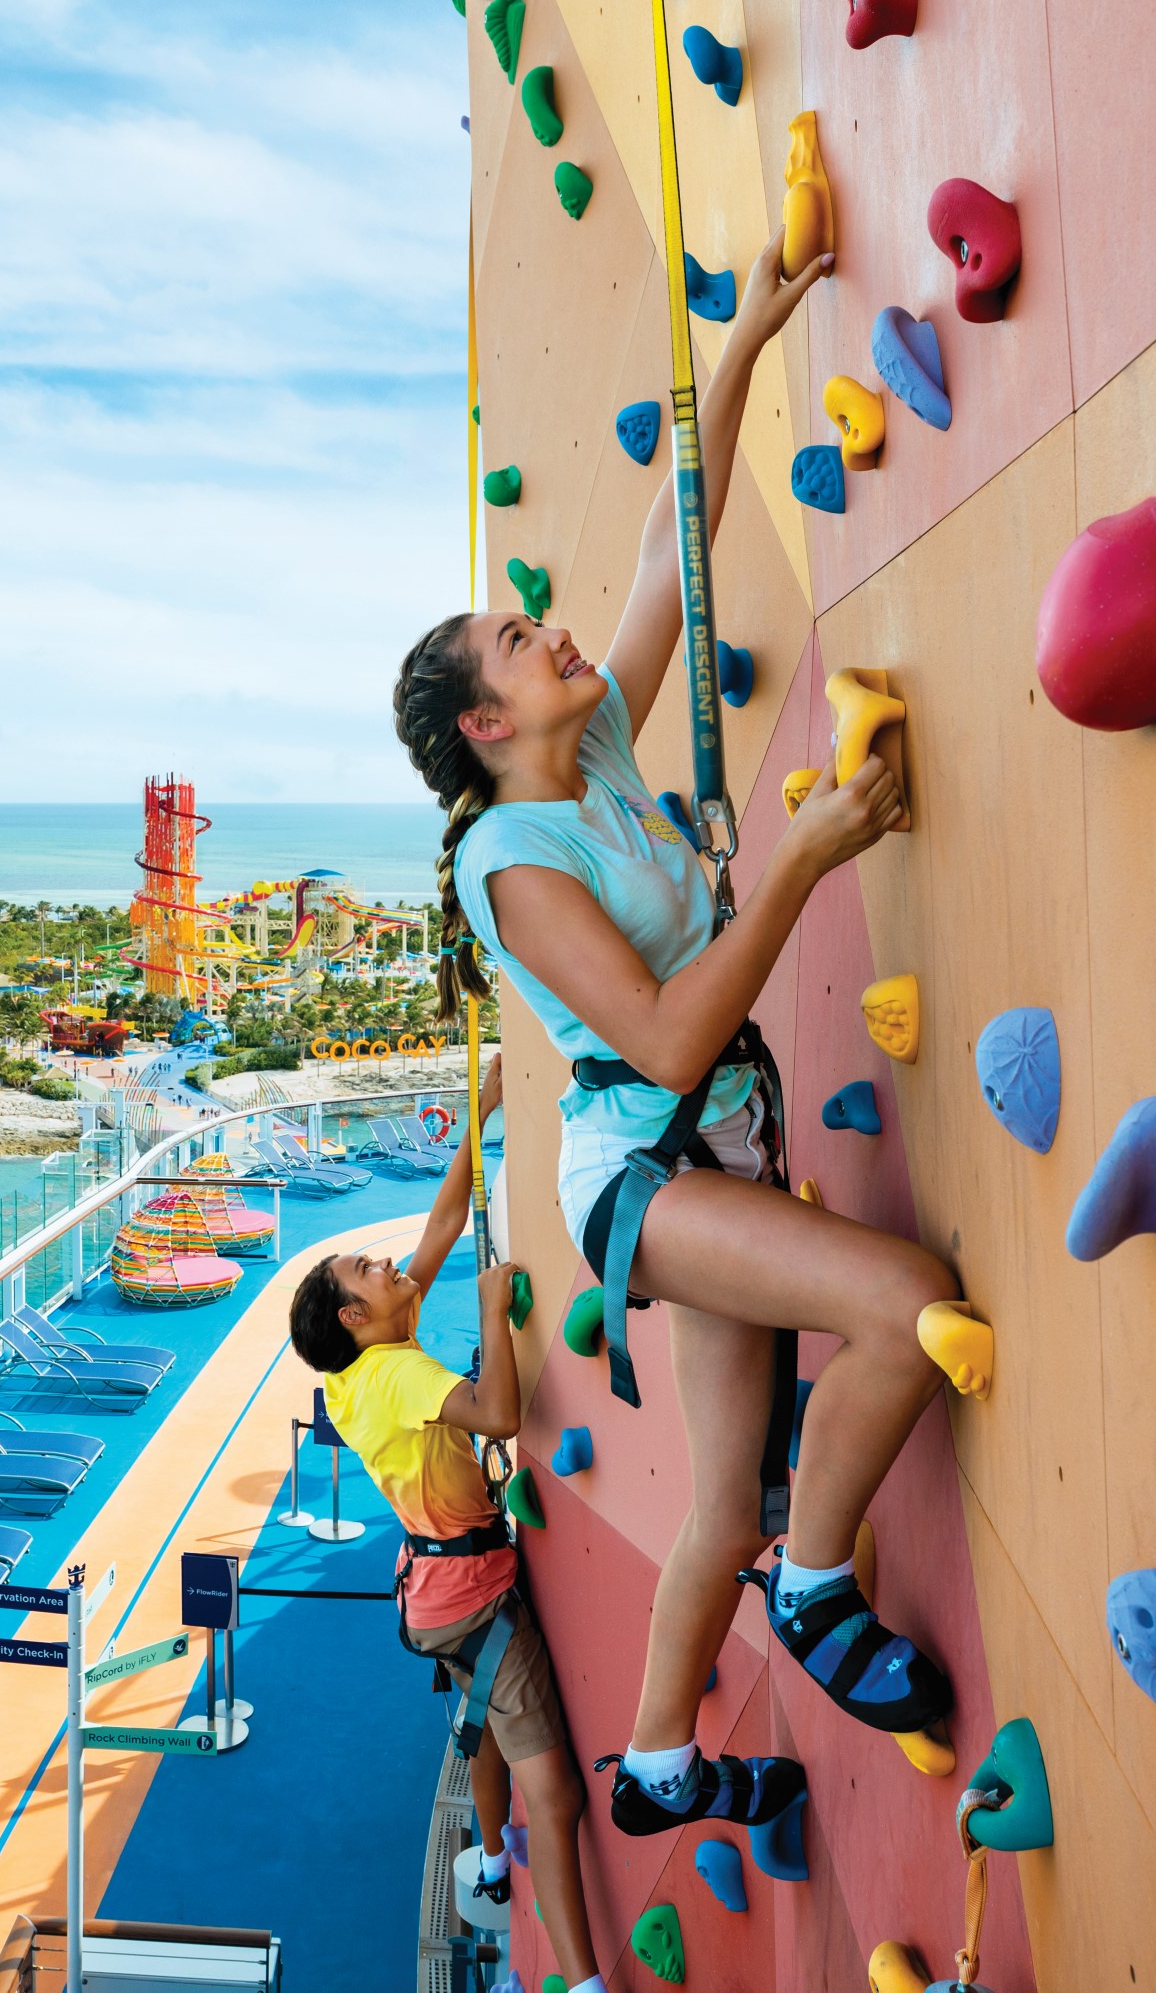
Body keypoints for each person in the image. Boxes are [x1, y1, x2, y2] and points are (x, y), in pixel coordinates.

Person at [390, 240, 967, 1848]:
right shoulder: (510, 861)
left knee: (719, 1499)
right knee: (905, 1306)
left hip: (712, 1139)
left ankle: (655, 1769)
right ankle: (821, 1583)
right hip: (645, 1167)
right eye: (518, 642)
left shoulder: (592, 756)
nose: (552, 632)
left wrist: (749, 338)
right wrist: (798, 860)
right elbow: (654, 1041)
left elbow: (674, 548)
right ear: (486, 724)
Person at [288, 1066, 670, 1993]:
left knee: (484, 1729)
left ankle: (492, 1864)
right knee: (557, 1792)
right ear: (355, 1317)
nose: (385, 1262)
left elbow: (444, 1224)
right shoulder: (402, 1374)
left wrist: (478, 1115)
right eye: (366, 1270)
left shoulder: (366, 1366)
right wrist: (495, 1311)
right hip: (472, 1595)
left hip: (435, 1595)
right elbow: (501, 1415)